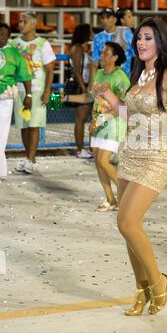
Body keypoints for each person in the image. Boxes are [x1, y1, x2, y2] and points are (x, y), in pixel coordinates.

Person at [97, 17, 167, 315]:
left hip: (155, 158)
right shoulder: (139, 74)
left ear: (161, 42)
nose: (141, 42)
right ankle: (141, 290)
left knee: (127, 223)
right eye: (139, 37)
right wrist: (109, 98)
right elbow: (129, 116)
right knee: (128, 228)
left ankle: (158, 281)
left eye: (148, 38)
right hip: (130, 154)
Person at [63, 42, 130, 211]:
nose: (101, 55)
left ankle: (127, 196)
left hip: (113, 124)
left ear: (114, 58)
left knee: (103, 161)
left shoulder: (121, 78)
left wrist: (102, 119)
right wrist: (67, 98)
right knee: (98, 164)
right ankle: (110, 199)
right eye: (101, 53)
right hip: (97, 124)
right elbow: (89, 97)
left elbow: (124, 107)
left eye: (105, 53)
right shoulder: (99, 74)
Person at [11, 12, 56, 174]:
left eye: (24, 21)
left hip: (37, 89)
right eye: (20, 21)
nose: (21, 24)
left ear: (33, 24)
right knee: (23, 126)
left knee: (34, 125)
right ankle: (29, 158)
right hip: (19, 90)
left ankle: (31, 159)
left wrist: (48, 91)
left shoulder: (43, 44)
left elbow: (50, 70)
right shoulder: (14, 43)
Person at [0, 22, 32, 179]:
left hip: (5, 98)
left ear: (8, 37)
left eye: (3, 35)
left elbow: (25, 76)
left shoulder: (14, 53)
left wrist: (29, 95)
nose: (0, 37)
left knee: (1, 134)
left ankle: (1, 171)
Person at [69, 23, 98, 159]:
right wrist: (83, 87)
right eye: (90, 31)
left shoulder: (85, 49)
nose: (92, 33)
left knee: (92, 118)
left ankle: (90, 148)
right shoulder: (77, 48)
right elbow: (76, 70)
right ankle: (80, 149)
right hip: (82, 86)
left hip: (88, 85)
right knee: (80, 119)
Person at [92, 8, 134, 78]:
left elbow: (136, 53)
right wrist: (92, 83)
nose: (105, 21)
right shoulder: (97, 38)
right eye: (102, 18)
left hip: (124, 78)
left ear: (115, 19)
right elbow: (95, 62)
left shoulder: (125, 32)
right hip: (105, 79)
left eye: (108, 17)